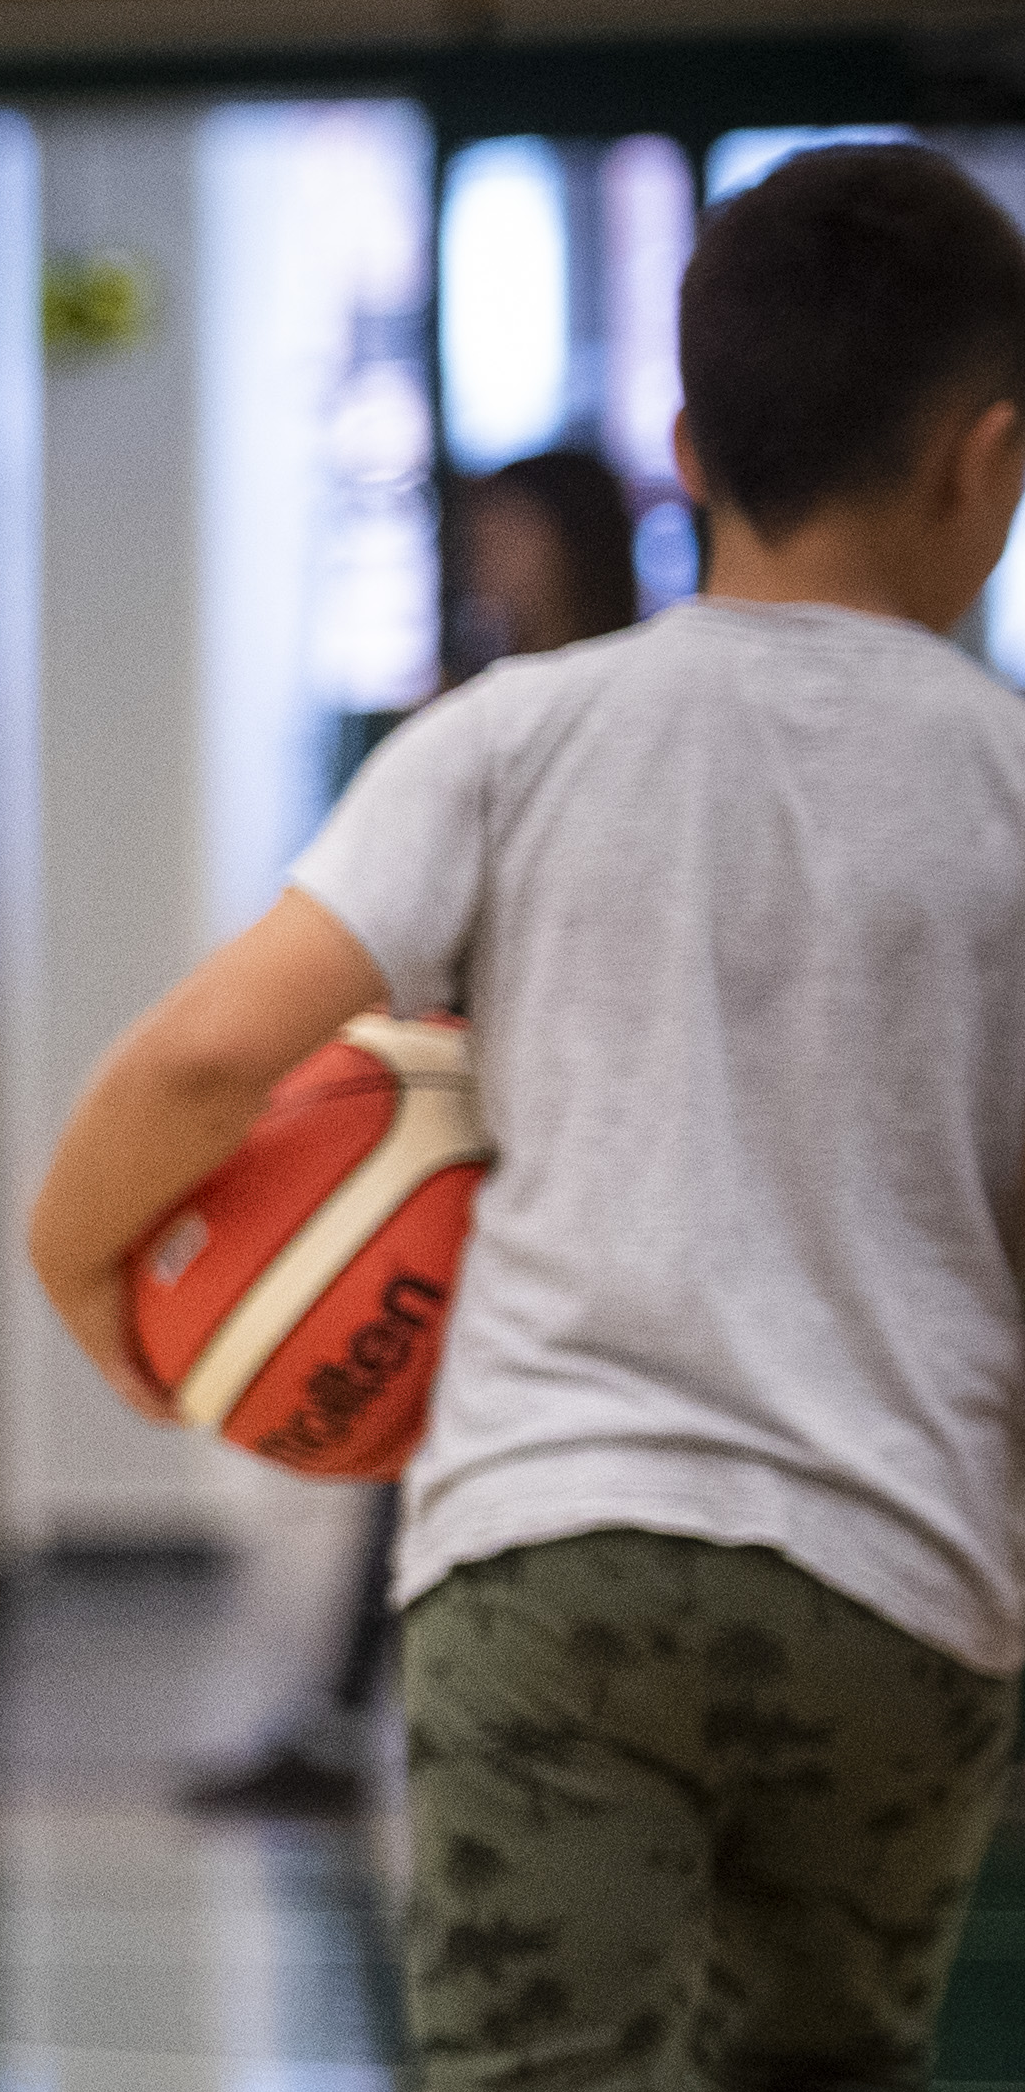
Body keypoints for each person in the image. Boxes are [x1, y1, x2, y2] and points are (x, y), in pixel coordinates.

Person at [27, 143, 1025, 2092]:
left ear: (685, 442)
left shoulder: (528, 726)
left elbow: (216, 1060)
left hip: (550, 1551)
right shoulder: (1011, 785)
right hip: (908, 1581)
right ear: (995, 461)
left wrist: (99, 1288)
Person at [183, 440, 646, 1816]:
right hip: (464, 1120)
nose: (490, 559)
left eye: (514, 534)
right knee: (406, 1426)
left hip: (593, 1123)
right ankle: (346, 1714)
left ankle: (560, 1723)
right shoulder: (456, 711)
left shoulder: (616, 710)